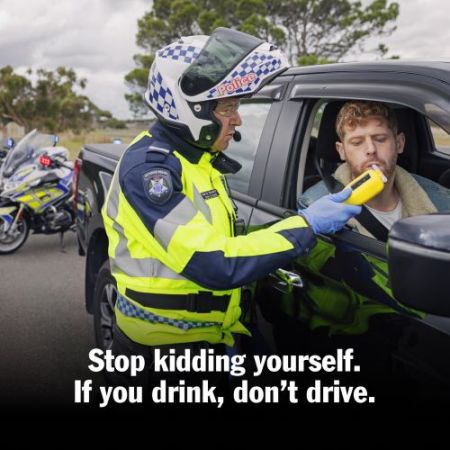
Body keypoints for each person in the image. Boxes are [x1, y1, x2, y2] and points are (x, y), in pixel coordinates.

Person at [101, 28, 360, 386]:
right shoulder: (152, 171)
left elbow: (225, 236)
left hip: (211, 337)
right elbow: (214, 261)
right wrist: (306, 226)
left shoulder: (198, 160)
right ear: (192, 108)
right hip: (165, 353)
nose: (237, 119)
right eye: (227, 108)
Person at [300, 100, 450, 238]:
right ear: (342, 151)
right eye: (357, 142)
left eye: (380, 139)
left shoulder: (440, 201)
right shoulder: (315, 207)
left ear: (399, 143)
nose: (371, 149)